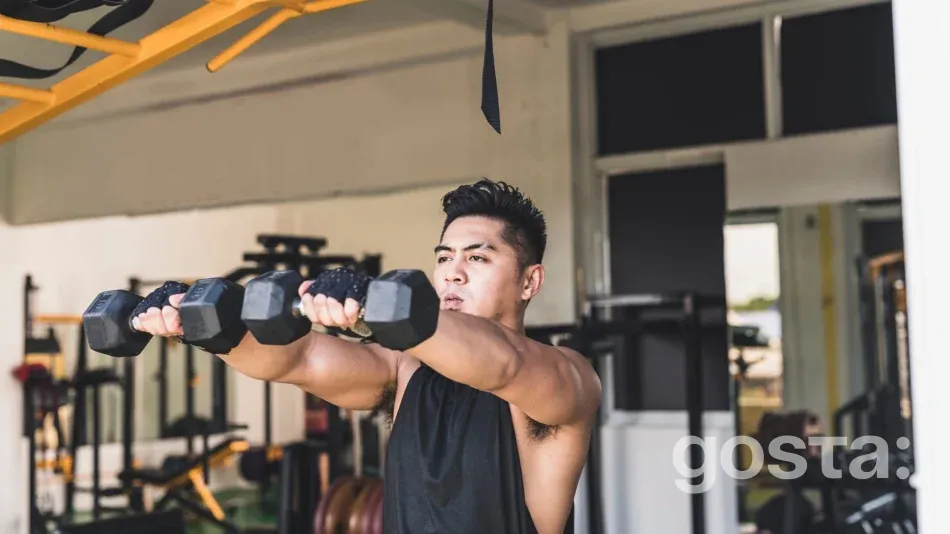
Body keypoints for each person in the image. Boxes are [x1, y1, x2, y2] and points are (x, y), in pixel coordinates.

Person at [133, 179, 602, 534]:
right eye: (444, 258)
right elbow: (298, 360)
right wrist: (207, 328)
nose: (453, 274)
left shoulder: (566, 377)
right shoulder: (406, 367)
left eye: (477, 258)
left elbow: (503, 364)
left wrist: (373, 305)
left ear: (530, 281)